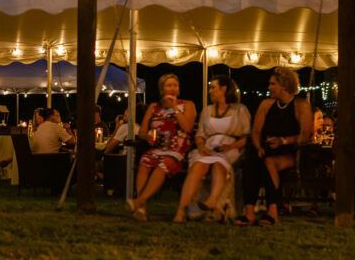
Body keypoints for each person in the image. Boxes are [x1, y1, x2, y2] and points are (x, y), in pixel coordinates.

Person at [236, 67, 312, 227]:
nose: (269, 87)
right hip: (266, 147)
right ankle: (249, 213)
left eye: (272, 84)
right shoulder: (266, 104)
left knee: (269, 162)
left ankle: (272, 211)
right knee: (252, 162)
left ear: (284, 85)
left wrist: (283, 141)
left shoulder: (300, 105)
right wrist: (258, 147)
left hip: (290, 150)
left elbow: (305, 135)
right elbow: (256, 131)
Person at [173, 76, 251, 223]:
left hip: (230, 147)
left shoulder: (240, 109)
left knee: (219, 163)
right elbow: (200, 134)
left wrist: (231, 146)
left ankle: (213, 200)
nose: (210, 91)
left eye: (213, 87)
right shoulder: (207, 110)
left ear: (224, 89)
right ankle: (181, 210)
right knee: (197, 166)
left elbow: (247, 137)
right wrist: (201, 146)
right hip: (209, 146)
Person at [128, 74, 197, 222]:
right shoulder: (154, 107)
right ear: (162, 89)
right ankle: (142, 208)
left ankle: (139, 201)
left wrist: (174, 107)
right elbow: (142, 132)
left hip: (177, 147)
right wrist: (149, 137)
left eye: (175, 85)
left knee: (162, 165)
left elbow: (187, 127)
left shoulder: (188, 104)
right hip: (158, 146)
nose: (172, 88)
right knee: (145, 160)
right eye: (169, 85)